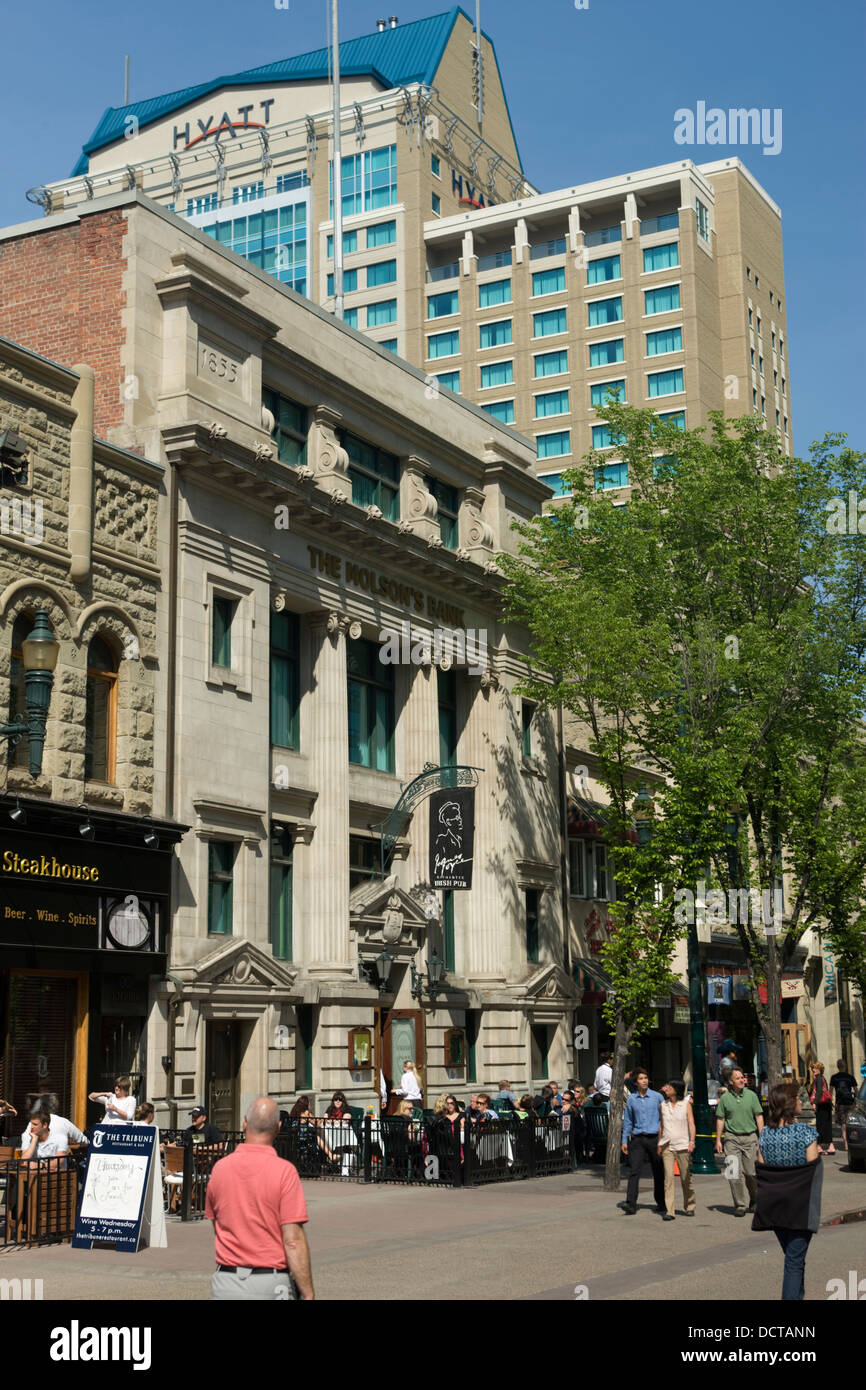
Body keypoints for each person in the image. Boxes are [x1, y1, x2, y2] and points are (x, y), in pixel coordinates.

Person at [205, 1096, 313, 1301]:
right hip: (270, 1281)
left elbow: (217, 1224)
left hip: (227, 1281)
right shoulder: (284, 1172)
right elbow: (292, 1240)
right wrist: (308, 1293)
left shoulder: (220, 1169)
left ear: (244, 1124)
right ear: (278, 1128)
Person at [754, 1083, 822, 1301]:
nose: (801, 1101)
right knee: (794, 1261)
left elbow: (762, 1169)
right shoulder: (806, 1133)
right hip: (800, 1208)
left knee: (794, 1258)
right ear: (789, 1104)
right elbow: (813, 1169)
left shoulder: (765, 1135)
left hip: (775, 1207)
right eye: (797, 1098)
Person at [715, 1067, 764, 1216]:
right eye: (738, 1078)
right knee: (733, 1173)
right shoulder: (725, 1098)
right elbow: (720, 1119)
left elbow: (759, 1116)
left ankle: (754, 1199)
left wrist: (762, 1137)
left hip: (750, 1137)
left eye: (742, 1077)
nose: (742, 1080)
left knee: (751, 1173)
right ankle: (740, 1205)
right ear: (731, 1082)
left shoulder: (751, 1096)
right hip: (731, 1138)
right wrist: (718, 1140)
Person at [620, 1069, 665, 1215]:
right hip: (638, 1138)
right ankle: (631, 1203)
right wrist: (624, 1140)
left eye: (646, 1078)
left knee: (658, 1171)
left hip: (655, 1138)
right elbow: (628, 1121)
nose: (644, 1081)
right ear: (635, 1082)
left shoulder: (657, 1097)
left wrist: (663, 1139)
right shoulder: (632, 1099)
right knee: (634, 1171)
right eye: (641, 1078)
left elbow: (664, 1119)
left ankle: (661, 1202)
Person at [658, 1080, 696, 1219]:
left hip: (682, 1145)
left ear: (677, 1089)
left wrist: (692, 1141)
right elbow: (661, 1125)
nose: (667, 1088)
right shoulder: (663, 1105)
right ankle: (670, 1211)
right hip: (667, 1144)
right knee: (668, 1178)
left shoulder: (686, 1105)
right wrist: (659, 1144)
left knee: (685, 1178)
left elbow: (691, 1123)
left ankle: (690, 1205)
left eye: (670, 1086)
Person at [829, 1059, 858, 1150]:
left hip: (840, 1103)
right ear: (845, 1066)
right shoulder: (850, 1077)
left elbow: (830, 1091)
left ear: (837, 1066)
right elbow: (856, 1091)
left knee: (843, 1124)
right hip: (850, 1103)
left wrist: (830, 1102)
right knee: (851, 1123)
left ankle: (846, 1143)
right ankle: (851, 1141)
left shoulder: (834, 1077)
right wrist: (856, 1102)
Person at [808, 1062, 835, 1155]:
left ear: (820, 1069)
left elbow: (819, 1091)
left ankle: (819, 1146)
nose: (813, 1070)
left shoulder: (818, 1079)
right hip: (826, 1105)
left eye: (815, 1068)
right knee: (826, 1125)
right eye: (813, 1068)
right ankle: (830, 1146)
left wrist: (814, 1103)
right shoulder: (822, 1078)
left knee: (820, 1125)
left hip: (822, 1105)